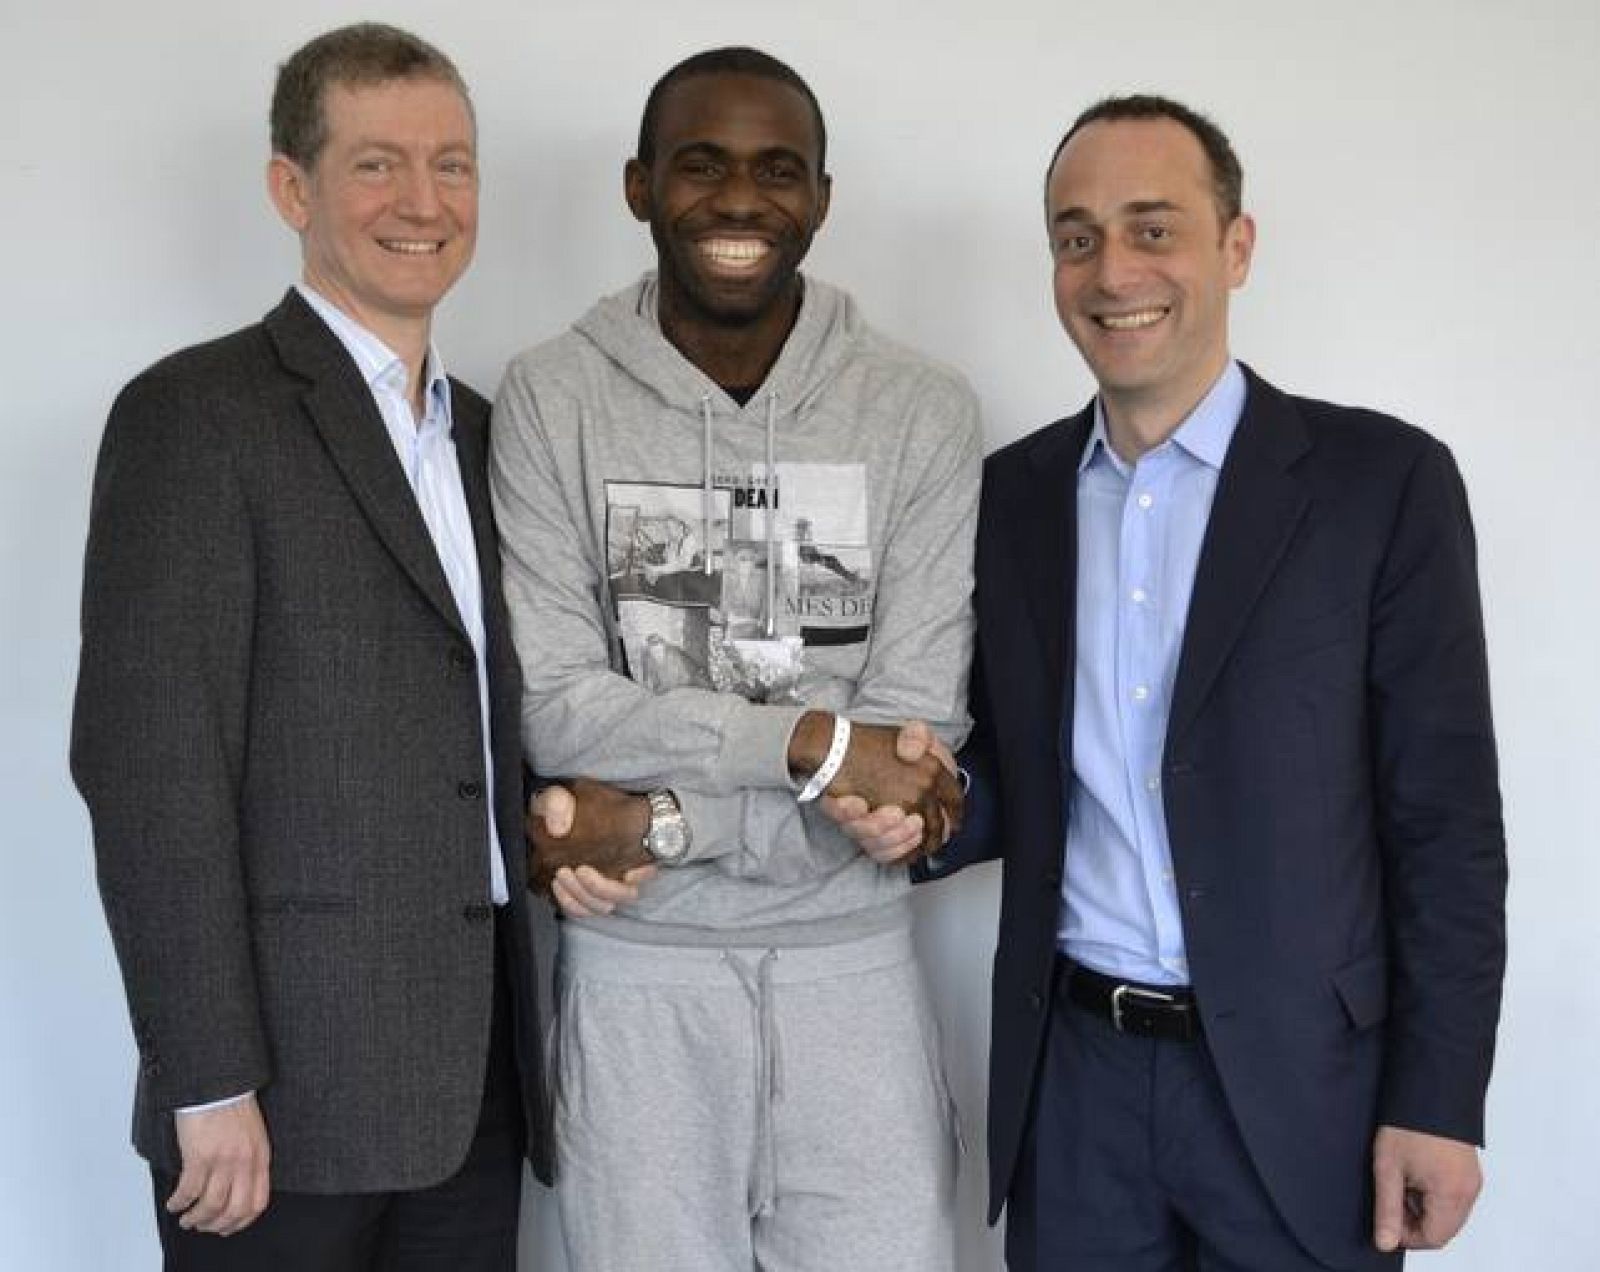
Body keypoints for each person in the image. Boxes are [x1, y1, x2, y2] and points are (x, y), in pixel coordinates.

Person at [835, 94, 1507, 1270]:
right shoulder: (1010, 498)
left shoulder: (1380, 484)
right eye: (1076, 235)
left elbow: (1445, 826)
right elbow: (1012, 770)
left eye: (1153, 229)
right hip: (1076, 1087)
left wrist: (1440, 1100)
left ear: (1235, 246)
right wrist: (925, 812)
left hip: (1309, 1094)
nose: (1111, 271)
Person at [489, 46, 979, 1272]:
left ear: (820, 194)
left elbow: (916, 736)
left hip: (852, 979)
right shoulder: (551, 399)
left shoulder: (920, 409)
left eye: (777, 169)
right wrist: (813, 744)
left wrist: (655, 827)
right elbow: (558, 709)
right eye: (700, 165)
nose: (739, 201)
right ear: (638, 187)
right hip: (635, 984)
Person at [70, 24, 548, 1269]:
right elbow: (146, 772)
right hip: (281, 1100)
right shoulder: (196, 417)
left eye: (452, 165)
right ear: (294, 188)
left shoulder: (500, 437)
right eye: (378, 164)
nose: (424, 202)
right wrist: (206, 1079)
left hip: (478, 1080)